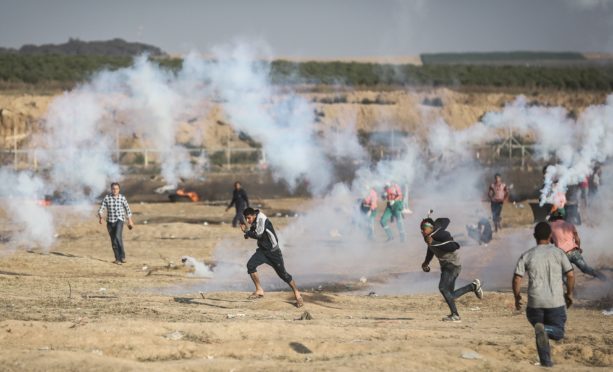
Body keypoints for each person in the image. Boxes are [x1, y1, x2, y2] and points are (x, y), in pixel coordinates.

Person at [513, 222, 575, 367]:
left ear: (534, 236)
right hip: (555, 303)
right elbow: (571, 275)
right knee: (557, 332)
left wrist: (517, 298)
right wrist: (569, 294)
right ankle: (545, 330)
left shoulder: (527, 254)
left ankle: (546, 363)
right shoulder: (558, 253)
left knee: (540, 332)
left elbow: (517, 278)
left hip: (535, 304)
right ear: (550, 236)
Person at [420, 217, 483, 322]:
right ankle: (473, 286)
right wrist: (426, 262)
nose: (422, 231)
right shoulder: (428, 237)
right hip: (446, 266)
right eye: (421, 229)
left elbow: (453, 246)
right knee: (450, 295)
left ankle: (456, 315)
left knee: (443, 288)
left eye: (424, 228)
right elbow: (431, 249)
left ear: (431, 228)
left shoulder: (441, 234)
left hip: (452, 265)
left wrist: (434, 243)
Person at [241, 207, 303, 308]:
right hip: (262, 251)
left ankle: (298, 295)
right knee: (250, 265)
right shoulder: (255, 219)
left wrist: (246, 232)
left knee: (284, 275)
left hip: (273, 252)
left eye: (248, 218)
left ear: (253, 215)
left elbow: (258, 234)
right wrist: (248, 232)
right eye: (246, 219)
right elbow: (254, 229)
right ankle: (259, 290)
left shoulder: (261, 219)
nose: (248, 221)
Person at [549, 209, 605, 280]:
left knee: (564, 275)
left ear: (553, 218)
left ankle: (570, 290)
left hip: (562, 255)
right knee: (585, 268)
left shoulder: (551, 226)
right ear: (562, 217)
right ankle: (602, 277)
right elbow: (577, 239)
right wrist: (578, 248)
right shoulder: (570, 225)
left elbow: (551, 241)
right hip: (574, 252)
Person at [98, 182, 134, 265]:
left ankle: (123, 256)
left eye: (116, 189)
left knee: (118, 237)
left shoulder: (122, 198)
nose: (115, 190)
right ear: (111, 189)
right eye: (113, 189)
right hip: (110, 221)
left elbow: (128, 209)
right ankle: (117, 259)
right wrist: (100, 217)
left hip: (119, 219)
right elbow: (101, 208)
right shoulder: (107, 198)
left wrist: (130, 220)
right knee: (113, 240)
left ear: (119, 189)